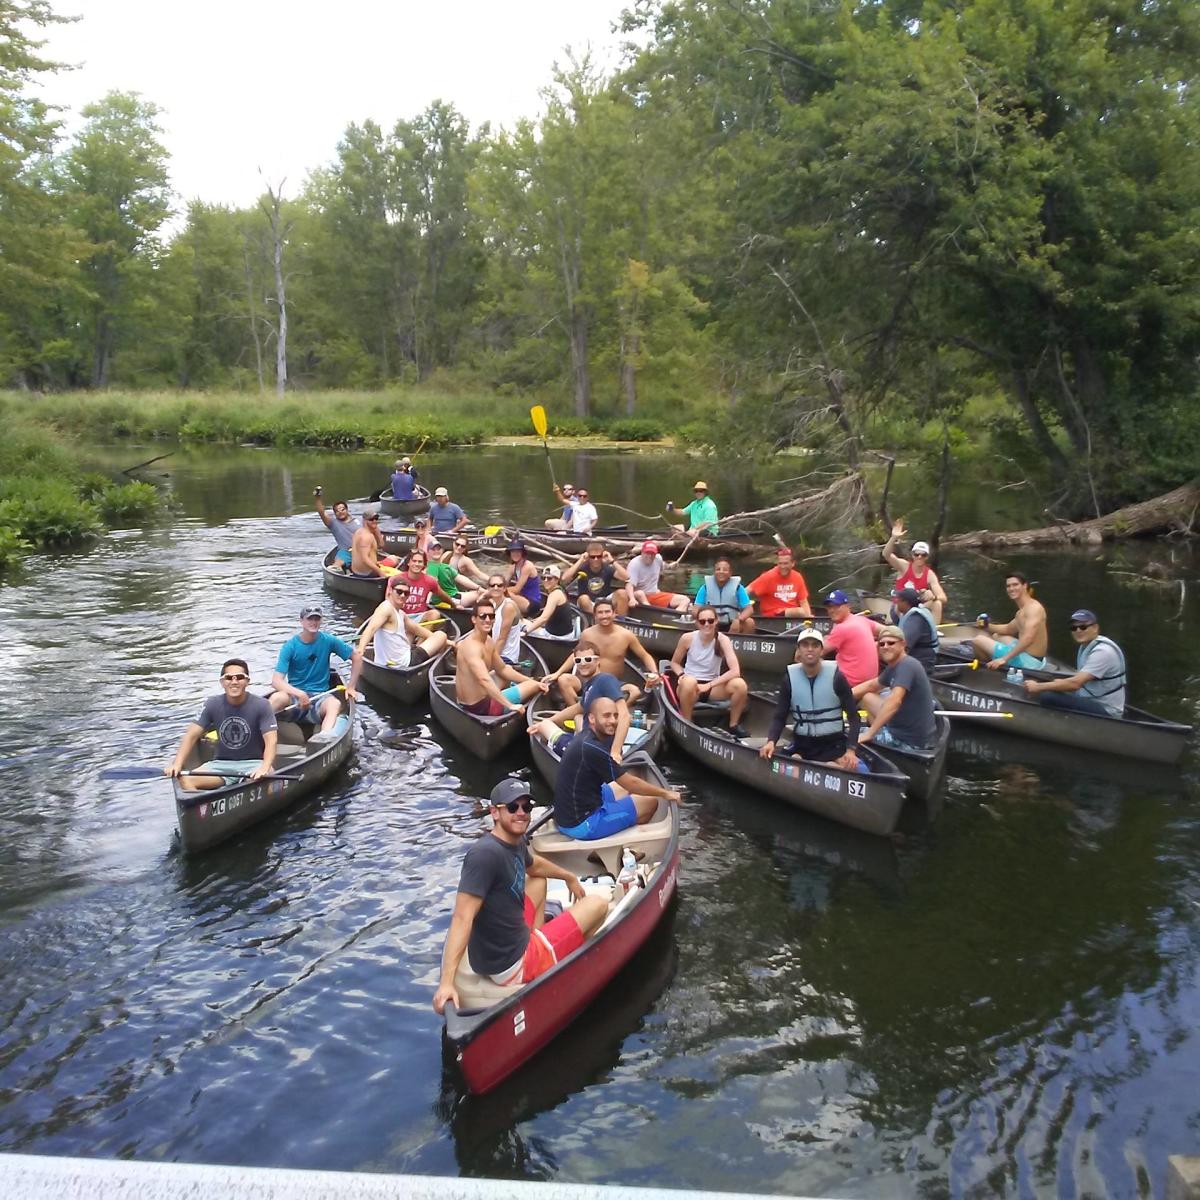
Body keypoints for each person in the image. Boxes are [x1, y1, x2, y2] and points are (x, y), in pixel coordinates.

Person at [432, 777, 610, 1012]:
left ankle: (542, 941)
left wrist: (568, 876)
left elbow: (534, 865)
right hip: (513, 963)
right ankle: (560, 963)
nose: (521, 813)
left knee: (537, 882)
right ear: (495, 812)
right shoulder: (484, 856)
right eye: (513, 807)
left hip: (508, 942)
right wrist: (446, 983)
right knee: (598, 904)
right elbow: (462, 918)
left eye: (526, 807)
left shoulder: (514, 840)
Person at [552, 697, 682, 840]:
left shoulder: (585, 738)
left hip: (568, 814)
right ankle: (627, 845)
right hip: (582, 824)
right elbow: (631, 784)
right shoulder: (593, 748)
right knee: (650, 802)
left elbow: (627, 783)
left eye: (615, 715)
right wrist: (666, 793)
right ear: (592, 718)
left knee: (625, 787)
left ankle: (620, 818)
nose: (613, 721)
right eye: (606, 716)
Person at [165, 658, 279, 792]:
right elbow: (191, 736)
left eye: (240, 677)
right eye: (229, 678)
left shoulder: (262, 705)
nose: (234, 682)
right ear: (222, 682)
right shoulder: (211, 704)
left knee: (264, 778)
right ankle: (202, 807)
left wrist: (264, 767)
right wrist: (177, 764)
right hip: (220, 766)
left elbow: (271, 741)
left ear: (247, 681)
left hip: (254, 764)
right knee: (184, 779)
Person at [758, 629, 861, 769]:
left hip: (833, 745)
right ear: (798, 650)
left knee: (844, 766)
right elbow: (779, 717)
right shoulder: (789, 679)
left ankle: (828, 765)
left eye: (815, 645)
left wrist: (851, 750)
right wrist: (771, 742)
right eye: (805, 645)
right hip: (803, 745)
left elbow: (854, 717)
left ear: (821, 650)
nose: (810, 649)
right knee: (795, 760)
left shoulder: (837, 678)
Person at [531, 645, 640, 759]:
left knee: (544, 727)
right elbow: (578, 708)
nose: (583, 663)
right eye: (578, 661)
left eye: (588, 659)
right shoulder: (590, 685)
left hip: (592, 751)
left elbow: (624, 715)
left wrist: (615, 752)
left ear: (597, 661)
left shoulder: (605, 680)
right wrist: (550, 720)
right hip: (586, 744)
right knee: (576, 717)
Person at [269, 606, 364, 732]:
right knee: (277, 698)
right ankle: (259, 731)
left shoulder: (328, 640)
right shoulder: (290, 646)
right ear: (301, 621)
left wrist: (351, 687)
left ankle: (324, 739)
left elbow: (356, 657)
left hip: (320, 697)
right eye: (310, 619)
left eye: (317, 619)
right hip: (295, 698)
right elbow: (276, 681)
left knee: (334, 704)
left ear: (321, 621)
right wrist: (300, 694)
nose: (313, 622)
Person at [1023, 609, 1127, 716]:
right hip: (1091, 699)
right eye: (1074, 628)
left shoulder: (1103, 652)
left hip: (1106, 709)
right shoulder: (1087, 646)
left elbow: (1075, 684)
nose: (1078, 631)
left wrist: (1038, 687)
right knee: (1054, 687)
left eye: (1083, 627)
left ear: (1095, 628)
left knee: (1047, 696)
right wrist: (1056, 684)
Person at [853, 625, 938, 752]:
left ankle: (879, 737)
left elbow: (894, 701)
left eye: (891, 643)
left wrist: (870, 733)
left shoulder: (907, 666)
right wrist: (839, 697)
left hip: (910, 742)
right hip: (906, 729)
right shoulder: (895, 666)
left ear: (903, 644)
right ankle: (881, 732)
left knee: (847, 735)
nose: (885, 647)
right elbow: (871, 685)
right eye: (881, 644)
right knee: (867, 697)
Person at [669, 605, 750, 738]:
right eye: (702, 621)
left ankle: (733, 724)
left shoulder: (723, 640)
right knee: (689, 681)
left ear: (716, 621)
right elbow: (674, 663)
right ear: (697, 623)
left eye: (710, 621)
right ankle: (687, 722)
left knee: (740, 685)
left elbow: (735, 671)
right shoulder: (687, 638)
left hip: (713, 687)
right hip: (690, 686)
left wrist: (709, 685)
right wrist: (681, 675)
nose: (707, 624)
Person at [454, 600, 546, 716]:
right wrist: (510, 705)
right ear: (474, 619)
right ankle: (503, 703)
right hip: (479, 707)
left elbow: (502, 669)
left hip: (477, 700)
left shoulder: (488, 641)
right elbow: (484, 680)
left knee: (506, 671)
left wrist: (529, 680)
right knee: (533, 686)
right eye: (483, 616)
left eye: (491, 616)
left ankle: (507, 695)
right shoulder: (471, 647)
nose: (487, 620)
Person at [561, 598, 659, 706]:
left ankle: (617, 713)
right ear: (595, 615)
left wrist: (655, 673)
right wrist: (557, 673)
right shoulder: (587, 634)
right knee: (563, 680)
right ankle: (576, 711)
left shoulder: (626, 635)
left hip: (613, 683)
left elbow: (645, 656)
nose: (604, 616)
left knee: (634, 691)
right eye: (600, 612)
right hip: (586, 680)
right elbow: (575, 655)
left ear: (614, 613)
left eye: (607, 612)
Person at [356, 578, 449, 669]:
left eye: (406, 593)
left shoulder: (400, 613)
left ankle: (423, 649)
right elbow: (370, 629)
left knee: (411, 631)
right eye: (399, 591)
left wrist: (448, 642)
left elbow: (416, 629)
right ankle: (438, 661)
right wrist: (361, 649)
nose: (402, 595)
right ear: (391, 591)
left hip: (393, 661)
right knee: (441, 635)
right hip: (404, 663)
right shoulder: (386, 608)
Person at [972, 572, 1048, 672]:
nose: (1011, 589)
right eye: (1008, 586)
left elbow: (1028, 638)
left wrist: (1004, 659)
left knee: (978, 640)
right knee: (997, 636)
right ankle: (997, 658)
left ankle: (990, 667)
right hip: (1031, 657)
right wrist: (986, 626)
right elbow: (1008, 629)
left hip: (1030, 662)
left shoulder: (1033, 609)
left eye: (1015, 585)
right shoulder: (1023, 610)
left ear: (1025, 586)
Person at [882, 520, 948, 623]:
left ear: (927, 557)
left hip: (916, 609)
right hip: (899, 608)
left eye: (923, 555)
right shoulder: (904, 566)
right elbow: (886, 555)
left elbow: (943, 597)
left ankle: (933, 632)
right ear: (912, 555)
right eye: (916, 554)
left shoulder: (929, 574)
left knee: (937, 603)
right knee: (904, 605)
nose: (919, 557)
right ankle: (904, 626)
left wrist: (933, 596)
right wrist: (894, 537)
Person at [822, 589, 880, 688]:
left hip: (850, 685)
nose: (831, 610)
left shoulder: (841, 628)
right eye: (829, 607)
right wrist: (878, 644)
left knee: (810, 661)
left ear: (848, 606)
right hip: (871, 681)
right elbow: (888, 630)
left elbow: (817, 652)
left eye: (836, 606)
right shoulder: (862, 620)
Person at [564, 541, 630, 615]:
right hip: (589, 602)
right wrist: (580, 560)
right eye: (592, 557)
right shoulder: (582, 567)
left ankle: (621, 622)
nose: (596, 559)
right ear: (588, 557)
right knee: (583, 598)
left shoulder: (607, 567)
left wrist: (612, 561)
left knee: (622, 593)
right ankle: (598, 620)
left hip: (605, 600)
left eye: (598, 556)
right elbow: (564, 579)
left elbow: (626, 577)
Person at [746, 546, 812, 619]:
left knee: (804, 612)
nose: (782, 567)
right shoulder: (768, 576)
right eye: (780, 563)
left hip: (791, 614)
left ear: (793, 563)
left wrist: (809, 618)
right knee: (800, 612)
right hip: (773, 614)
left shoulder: (797, 577)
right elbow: (747, 590)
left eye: (785, 563)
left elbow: (803, 601)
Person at [692, 557, 754, 633]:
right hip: (711, 623)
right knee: (697, 622)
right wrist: (705, 619)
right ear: (714, 572)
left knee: (750, 622)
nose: (721, 572)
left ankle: (738, 642)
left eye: (725, 570)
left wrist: (739, 619)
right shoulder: (705, 588)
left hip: (731, 623)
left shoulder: (738, 588)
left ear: (730, 573)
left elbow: (749, 609)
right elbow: (696, 609)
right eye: (718, 569)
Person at [624, 540, 689, 612]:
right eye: (647, 553)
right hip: (639, 595)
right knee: (640, 594)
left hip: (655, 594)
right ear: (642, 552)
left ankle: (675, 618)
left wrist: (671, 566)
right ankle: (651, 612)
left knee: (685, 600)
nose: (649, 556)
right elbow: (629, 584)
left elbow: (664, 566)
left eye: (652, 554)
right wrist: (632, 599)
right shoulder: (634, 564)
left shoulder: (658, 558)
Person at [394, 549, 459, 618]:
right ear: (408, 563)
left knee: (435, 614)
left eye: (420, 562)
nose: (417, 564)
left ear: (424, 564)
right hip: (400, 616)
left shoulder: (429, 580)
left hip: (419, 617)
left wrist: (454, 605)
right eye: (414, 561)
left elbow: (442, 595)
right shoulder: (397, 579)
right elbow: (389, 600)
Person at [892, 586, 938, 673]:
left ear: (905, 602)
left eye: (898, 600)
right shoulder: (915, 611)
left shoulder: (915, 619)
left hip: (922, 662)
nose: (896, 603)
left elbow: (905, 646)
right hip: (920, 655)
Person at [523, 564, 577, 637]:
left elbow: (544, 618)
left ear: (557, 579)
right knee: (529, 622)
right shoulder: (560, 590)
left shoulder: (555, 595)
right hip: (562, 632)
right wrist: (535, 621)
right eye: (543, 578)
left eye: (549, 578)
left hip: (556, 637)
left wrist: (526, 631)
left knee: (521, 623)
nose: (545, 580)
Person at [314, 487, 359, 568]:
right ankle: (337, 569)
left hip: (361, 550)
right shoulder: (333, 523)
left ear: (347, 510)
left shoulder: (358, 521)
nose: (340, 512)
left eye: (342, 509)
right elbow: (321, 512)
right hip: (346, 551)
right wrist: (318, 498)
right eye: (337, 511)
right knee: (339, 562)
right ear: (335, 513)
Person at [425, 542, 480, 607]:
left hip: (454, 595)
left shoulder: (445, 566)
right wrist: (427, 603)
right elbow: (431, 586)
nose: (436, 551)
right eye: (433, 549)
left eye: (438, 549)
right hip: (448, 600)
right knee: (481, 595)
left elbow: (460, 578)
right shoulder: (432, 567)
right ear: (428, 552)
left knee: (480, 593)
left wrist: (478, 587)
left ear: (442, 550)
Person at [484, 574, 524, 664]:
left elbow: (502, 639)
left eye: (499, 585)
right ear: (488, 588)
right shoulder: (493, 604)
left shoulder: (508, 607)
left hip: (505, 656)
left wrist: (491, 662)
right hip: (496, 651)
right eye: (492, 585)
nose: (496, 587)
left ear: (504, 588)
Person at [349, 509, 394, 578]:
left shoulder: (358, 531)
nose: (375, 521)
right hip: (366, 573)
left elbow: (381, 545)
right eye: (371, 519)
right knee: (393, 559)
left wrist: (375, 529)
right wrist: (380, 572)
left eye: (376, 519)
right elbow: (365, 559)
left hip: (356, 570)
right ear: (364, 521)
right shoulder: (366, 536)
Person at [504, 540, 543, 616]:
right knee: (499, 591)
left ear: (522, 553)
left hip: (532, 602)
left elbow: (517, 589)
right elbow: (504, 583)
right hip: (521, 598)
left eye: (518, 552)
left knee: (504, 593)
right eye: (513, 552)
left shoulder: (527, 566)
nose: (515, 554)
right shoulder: (512, 567)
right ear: (510, 553)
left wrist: (499, 589)